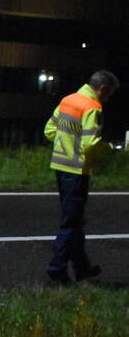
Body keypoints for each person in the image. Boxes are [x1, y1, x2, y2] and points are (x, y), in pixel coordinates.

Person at [44, 69, 120, 285]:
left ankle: (82, 268)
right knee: (71, 223)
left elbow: (49, 131)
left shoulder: (68, 100)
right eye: (109, 94)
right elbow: (89, 145)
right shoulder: (93, 107)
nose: (108, 98)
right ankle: (57, 270)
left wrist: (66, 143)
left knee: (76, 221)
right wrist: (109, 151)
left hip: (60, 166)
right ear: (103, 89)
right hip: (77, 171)